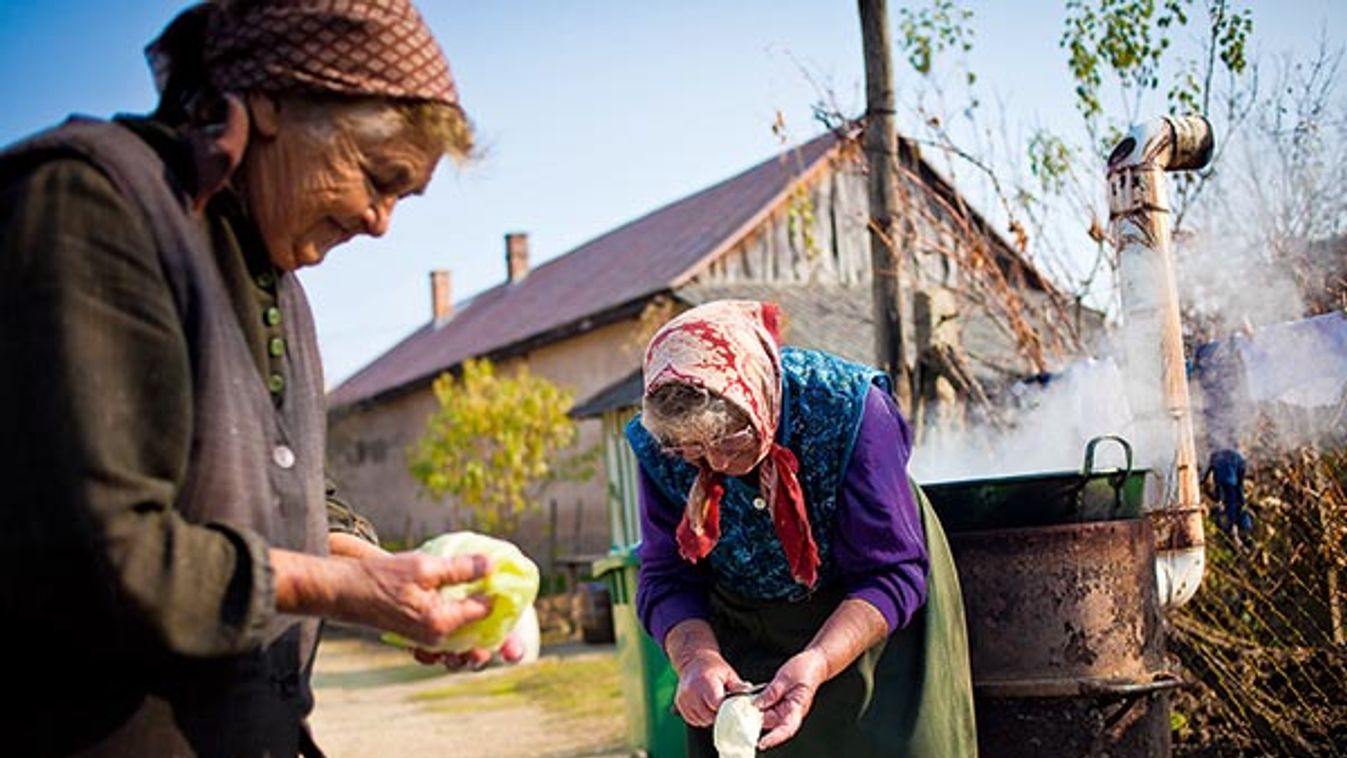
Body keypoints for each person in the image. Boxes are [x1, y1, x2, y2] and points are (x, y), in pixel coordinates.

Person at [0, 1, 519, 754]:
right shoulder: (90, 208)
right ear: (273, 101)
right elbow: (95, 547)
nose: (381, 224)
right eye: (379, 180)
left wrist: (383, 575)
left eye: (401, 199)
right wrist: (343, 590)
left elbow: (284, 484)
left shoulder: (278, 279)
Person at [625, 300, 978, 756]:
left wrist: (817, 660)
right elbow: (667, 577)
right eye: (694, 452)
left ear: (756, 397)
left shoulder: (848, 408)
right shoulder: (661, 443)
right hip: (745, 627)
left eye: (730, 439)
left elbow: (891, 572)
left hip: (872, 612)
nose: (718, 464)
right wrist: (696, 660)